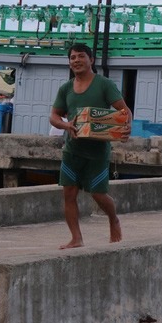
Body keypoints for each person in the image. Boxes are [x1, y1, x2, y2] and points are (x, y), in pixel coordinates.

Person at [49, 43, 132, 249]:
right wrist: (65, 125)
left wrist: (125, 128)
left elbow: (124, 111)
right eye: (72, 57)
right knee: (69, 194)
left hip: (98, 151)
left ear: (91, 60)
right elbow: (54, 116)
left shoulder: (104, 84)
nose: (76, 60)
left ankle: (113, 219)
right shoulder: (66, 88)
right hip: (72, 150)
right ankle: (76, 238)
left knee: (98, 194)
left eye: (80, 56)